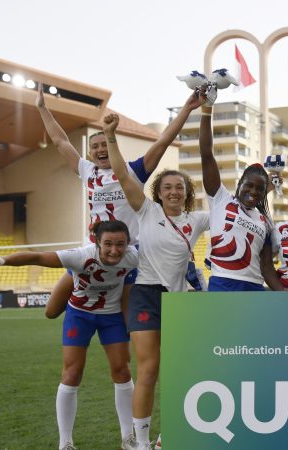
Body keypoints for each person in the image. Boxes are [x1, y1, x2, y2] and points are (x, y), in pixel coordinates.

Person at [37, 84, 207, 319]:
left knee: (130, 321)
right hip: (94, 250)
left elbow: (164, 140)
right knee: (51, 310)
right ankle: (89, 310)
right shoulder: (87, 171)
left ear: (114, 145)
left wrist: (187, 109)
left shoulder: (134, 171)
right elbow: (60, 141)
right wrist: (42, 108)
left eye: (104, 144)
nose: (100, 149)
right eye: (94, 147)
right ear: (90, 154)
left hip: (129, 253)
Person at [104, 113, 210, 449]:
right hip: (146, 295)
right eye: (168, 187)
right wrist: (110, 136)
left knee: (181, 370)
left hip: (180, 301)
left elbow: (233, 210)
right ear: (159, 193)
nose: (174, 192)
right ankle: (141, 441)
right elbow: (122, 174)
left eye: (180, 187)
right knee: (148, 370)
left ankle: (171, 434)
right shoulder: (146, 211)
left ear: (187, 192)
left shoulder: (197, 219)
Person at [0, 221, 139, 450]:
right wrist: (1, 261)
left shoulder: (133, 257)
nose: (114, 250)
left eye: (121, 244)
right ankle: (65, 443)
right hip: (80, 314)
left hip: (112, 315)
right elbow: (38, 257)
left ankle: (129, 438)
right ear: (96, 242)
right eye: (108, 244)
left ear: (128, 244)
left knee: (122, 370)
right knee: (72, 373)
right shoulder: (80, 256)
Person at [199, 103, 285, 291]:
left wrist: (285, 295)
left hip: (254, 287)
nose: (253, 191)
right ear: (239, 185)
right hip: (223, 282)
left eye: (260, 189)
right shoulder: (221, 199)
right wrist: (206, 110)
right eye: (249, 186)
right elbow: (206, 154)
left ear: (265, 192)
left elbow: (267, 268)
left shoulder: (265, 222)